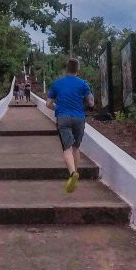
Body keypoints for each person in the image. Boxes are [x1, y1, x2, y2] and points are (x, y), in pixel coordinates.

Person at [46, 58, 94, 193]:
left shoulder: (57, 84)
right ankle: (74, 175)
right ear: (77, 70)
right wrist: (91, 103)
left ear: (66, 69)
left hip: (63, 118)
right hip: (79, 118)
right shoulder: (83, 84)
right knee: (76, 147)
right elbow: (91, 102)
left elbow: (48, 103)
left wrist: (57, 107)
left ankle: (72, 173)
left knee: (67, 148)